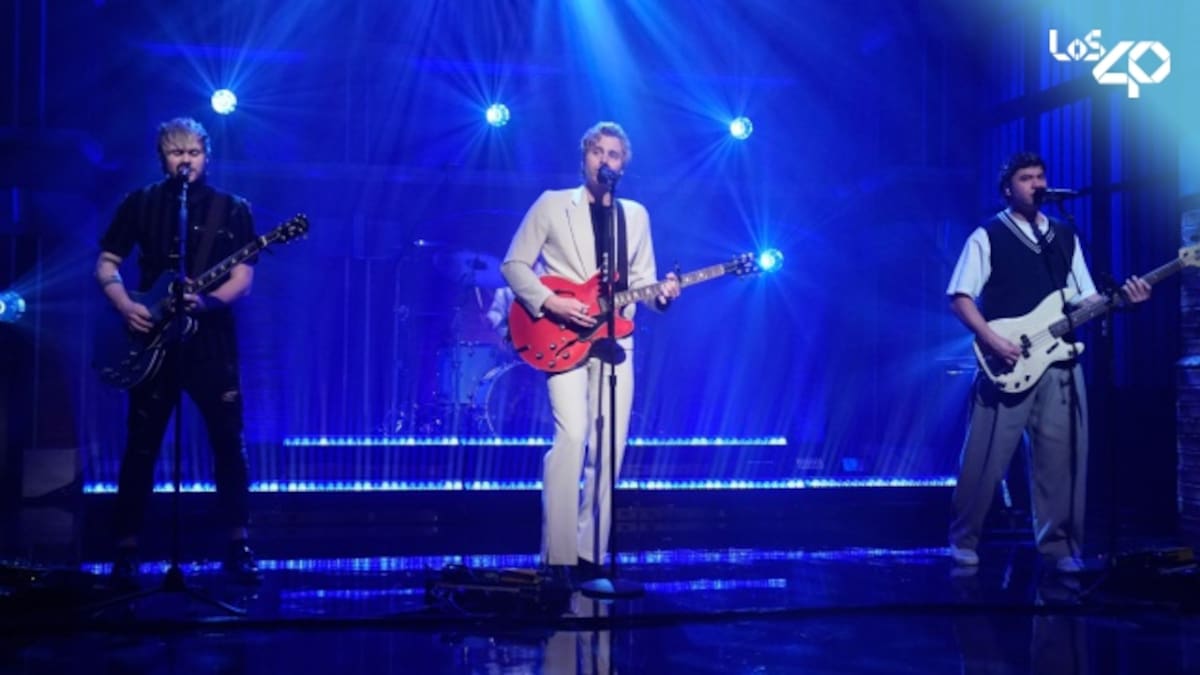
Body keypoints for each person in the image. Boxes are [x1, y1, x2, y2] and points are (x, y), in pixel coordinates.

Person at [946, 151, 1151, 572]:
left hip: (1059, 363)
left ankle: (1059, 547)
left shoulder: (1065, 235)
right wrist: (993, 340)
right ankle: (965, 538)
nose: (1036, 184)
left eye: (1040, 176)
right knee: (985, 457)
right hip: (1006, 361)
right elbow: (960, 297)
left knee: (1062, 459)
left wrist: (1124, 301)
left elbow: (1087, 299)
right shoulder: (987, 235)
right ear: (1008, 189)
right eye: (1026, 178)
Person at [501, 121, 680, 581]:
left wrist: (662, 296)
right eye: (597, 152)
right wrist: (550, 301)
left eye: (613, 154)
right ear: (584, 158)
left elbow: (643, 281)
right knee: (572, 436)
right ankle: (558, 555)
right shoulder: (552, 204)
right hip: (561, 334)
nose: (605, 160)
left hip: (616, 339)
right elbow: (514, 264)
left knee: (611, 446)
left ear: (624, 165)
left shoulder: (635, 215)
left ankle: (589, 552)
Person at [95, 117, 262, 585]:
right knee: (141, 445)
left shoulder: (233, 209)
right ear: (162, 158)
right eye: (176, 152)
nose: (185, 160)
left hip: (210, 341)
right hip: (152, 339)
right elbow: (107, 262)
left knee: (228, 442)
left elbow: (244, 278)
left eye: (193, 152)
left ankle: (239, 543)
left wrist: (207, 301)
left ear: (207, 156)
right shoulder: (140, 202)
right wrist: (125, 304)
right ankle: (126, 548)